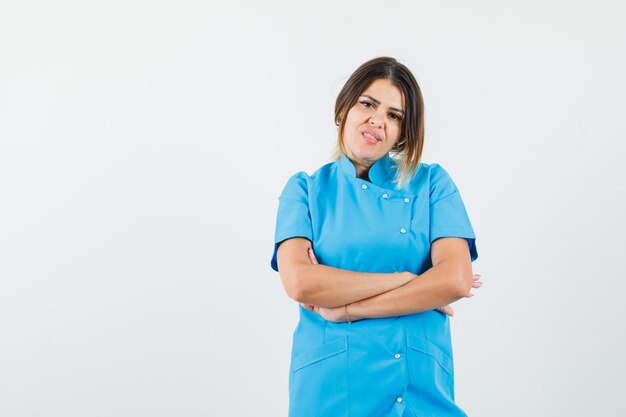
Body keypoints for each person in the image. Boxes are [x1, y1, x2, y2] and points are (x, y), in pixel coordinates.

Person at [270, 56, 481, 417]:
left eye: (395, 116)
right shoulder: (304, 190)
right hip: (332, 388)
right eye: (368, 104)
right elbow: (301, 283)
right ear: (344, 109)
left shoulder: (432, 185)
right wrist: (408, 281)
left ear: (403, 132)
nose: (378, 120)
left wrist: (347, 309)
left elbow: (456, 280)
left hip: (417, 387)